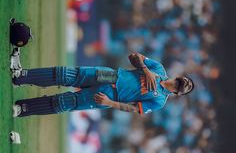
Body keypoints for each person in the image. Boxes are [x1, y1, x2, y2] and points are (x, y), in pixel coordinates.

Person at [11, 52, 194, 117]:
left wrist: (110, 104)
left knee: (64, 102)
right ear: (178, 77)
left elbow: (133, 108)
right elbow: (133, 56)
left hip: (109, 97)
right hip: (110, 76)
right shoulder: (159, 69)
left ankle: (22, 109)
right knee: (65, 74)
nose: (177, 84)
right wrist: (145, 70)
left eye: (179, 88)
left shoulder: (160, 100)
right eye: (179, 81)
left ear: (177, 94)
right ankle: (21, 76)